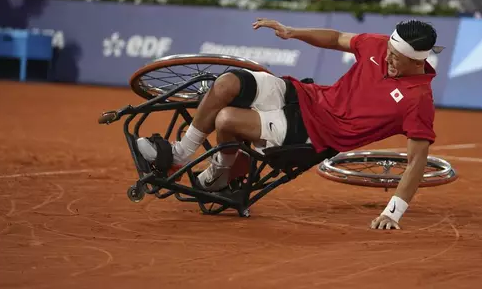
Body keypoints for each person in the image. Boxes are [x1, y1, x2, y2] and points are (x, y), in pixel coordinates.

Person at [137, 18, 441, 230]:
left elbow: (416, 160)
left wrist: (394, 211)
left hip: (315, 133)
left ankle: (221, 174)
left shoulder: (419, 99)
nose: (387, 57)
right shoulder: (381, 47)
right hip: (305, 95)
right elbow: (337, 38)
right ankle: (179, 153)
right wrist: (292, 32)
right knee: (226, 83)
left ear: (417, 61)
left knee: (227, 119)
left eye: (395, 58)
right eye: (388, 51)